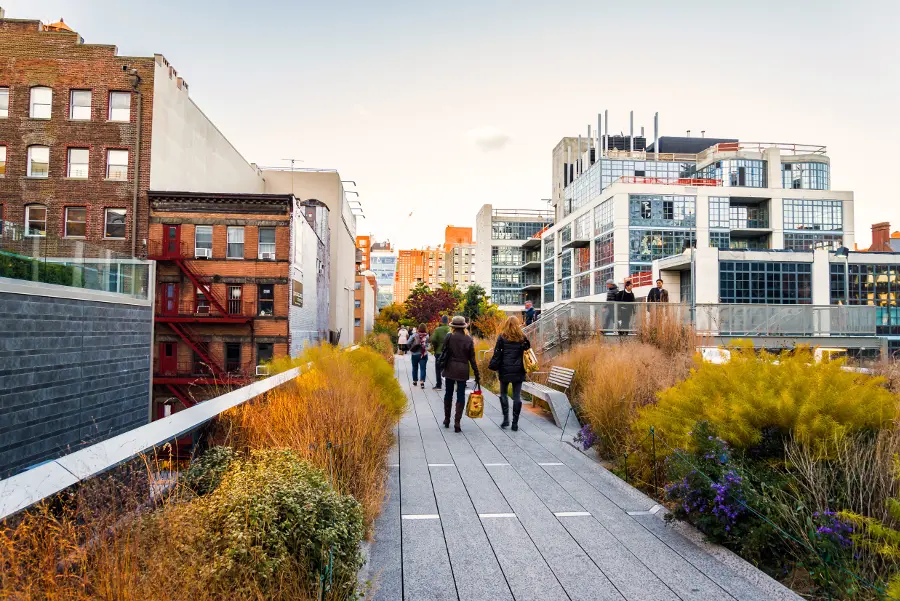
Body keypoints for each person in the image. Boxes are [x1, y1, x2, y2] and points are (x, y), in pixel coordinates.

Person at [437, 315, 480, 433]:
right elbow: (472, 359)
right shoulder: (469, 339)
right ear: (464, 326)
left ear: (453, 327)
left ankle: (447, 419)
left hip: (450, 368)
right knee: (460, 394)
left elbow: (444, 351)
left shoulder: (449, 336)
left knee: (448, 393)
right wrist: (477, 373)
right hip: (462, 369)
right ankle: (457, 422)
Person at [490, 316, 531, 431]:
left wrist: (494, 364)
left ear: (507, 324)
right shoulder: (522, 337)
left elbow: (497, 353)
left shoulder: (502, 337)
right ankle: (515, 423)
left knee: (503, 393)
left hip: (505, 369)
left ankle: (506, 419)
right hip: (518, 370)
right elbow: (527, 348)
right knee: (517, 396)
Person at [430, 315, 450, 390]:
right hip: (449, 352)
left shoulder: (438, 330)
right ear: (448, 321)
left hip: (439, 351)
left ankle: (439, 385)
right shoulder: (451, 329)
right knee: (449, 368)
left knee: (438, 369)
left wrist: (436, 347)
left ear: (441, 321)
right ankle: (449, 384)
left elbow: (434, 340)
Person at [408, 323, 429, 389]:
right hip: (423, 354)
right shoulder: (427, 336)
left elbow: (408, 342)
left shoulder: (414, 335)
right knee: (423, 368)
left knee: (414, 367)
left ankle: (415, 380)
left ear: (418, 328)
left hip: (415, 354)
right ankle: (422, 382)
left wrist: (411, 348)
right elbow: (427, 345)